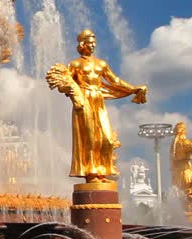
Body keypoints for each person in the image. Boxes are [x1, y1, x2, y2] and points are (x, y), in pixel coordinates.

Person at [46, 29, 147, 183]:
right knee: (90, 138)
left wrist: (133, 88)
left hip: (98, 100)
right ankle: (91, 173)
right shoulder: (75, 64)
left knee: (106, 138)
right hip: (84, 101)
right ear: (82, 44)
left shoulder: (101, 64)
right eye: (90, 43)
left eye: (94, 43)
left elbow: (115, 81)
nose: (93, 46)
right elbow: (66, 83)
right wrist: (72, 92)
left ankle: (102, 171)